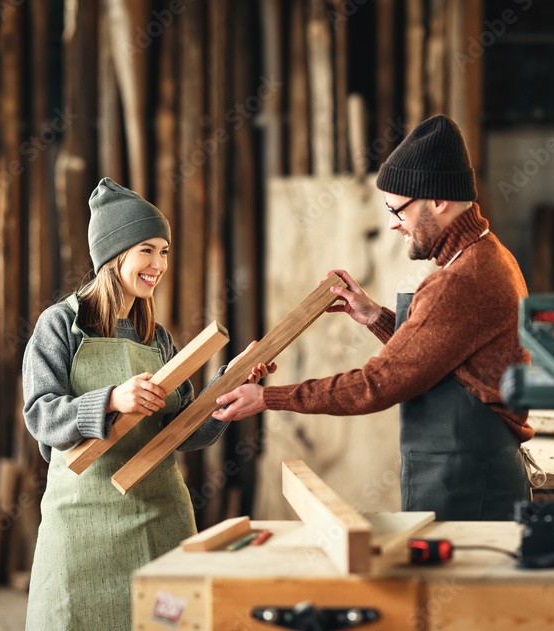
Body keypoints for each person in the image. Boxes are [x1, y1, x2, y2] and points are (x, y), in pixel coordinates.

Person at [213, 115, 537, 521]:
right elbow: (442, 360)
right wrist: (374, 317)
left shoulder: (459, 281)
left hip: (468, 486)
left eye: (398, 209)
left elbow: (377, 385)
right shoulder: (488, 255)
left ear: (438, 201)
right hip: (474, 474)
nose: (391, 223)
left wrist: (267, 397)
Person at [22, 178, 273, 630]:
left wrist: (228, 385)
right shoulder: (60, 324)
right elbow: (41, 415)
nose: (159, 264)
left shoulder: (155, 337)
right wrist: (113, 399)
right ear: (114, 254)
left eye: (165, 252)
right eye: (147, 250)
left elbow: (183, 430)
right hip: (82, 522)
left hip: (160, 516)